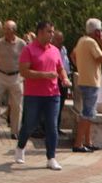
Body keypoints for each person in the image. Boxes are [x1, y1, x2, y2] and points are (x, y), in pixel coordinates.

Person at [14, 21, 68, 170]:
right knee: (30, 124)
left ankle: (51, 157)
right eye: (49, 32)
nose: (52, 35)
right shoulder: (28, 50)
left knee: (52, 125)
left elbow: (60, 68)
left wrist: (65, 78)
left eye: (52, 31)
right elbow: (24, 71)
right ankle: (20, 147)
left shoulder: (55, 50)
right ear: (40, 32)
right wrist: (44, 75)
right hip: (34, 95)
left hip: (53, 94)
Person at [71, 18, 102, 154]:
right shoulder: (91, 42)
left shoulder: (82, 40)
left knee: (89, 113)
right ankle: (78, 143)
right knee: (87, 114)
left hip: (85, 80)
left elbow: (72, 54)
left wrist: (81, 66)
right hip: (91, 82)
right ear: (97, 32)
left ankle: (88, 141)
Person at [0, 21, 24, 139]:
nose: (6, 32)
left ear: (14, 31)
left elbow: (25, 60)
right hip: (0, 75)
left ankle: (15, 131)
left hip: (16, 76)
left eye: (9, 29)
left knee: (17, 105)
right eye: (5, 29)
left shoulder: (21, 44)